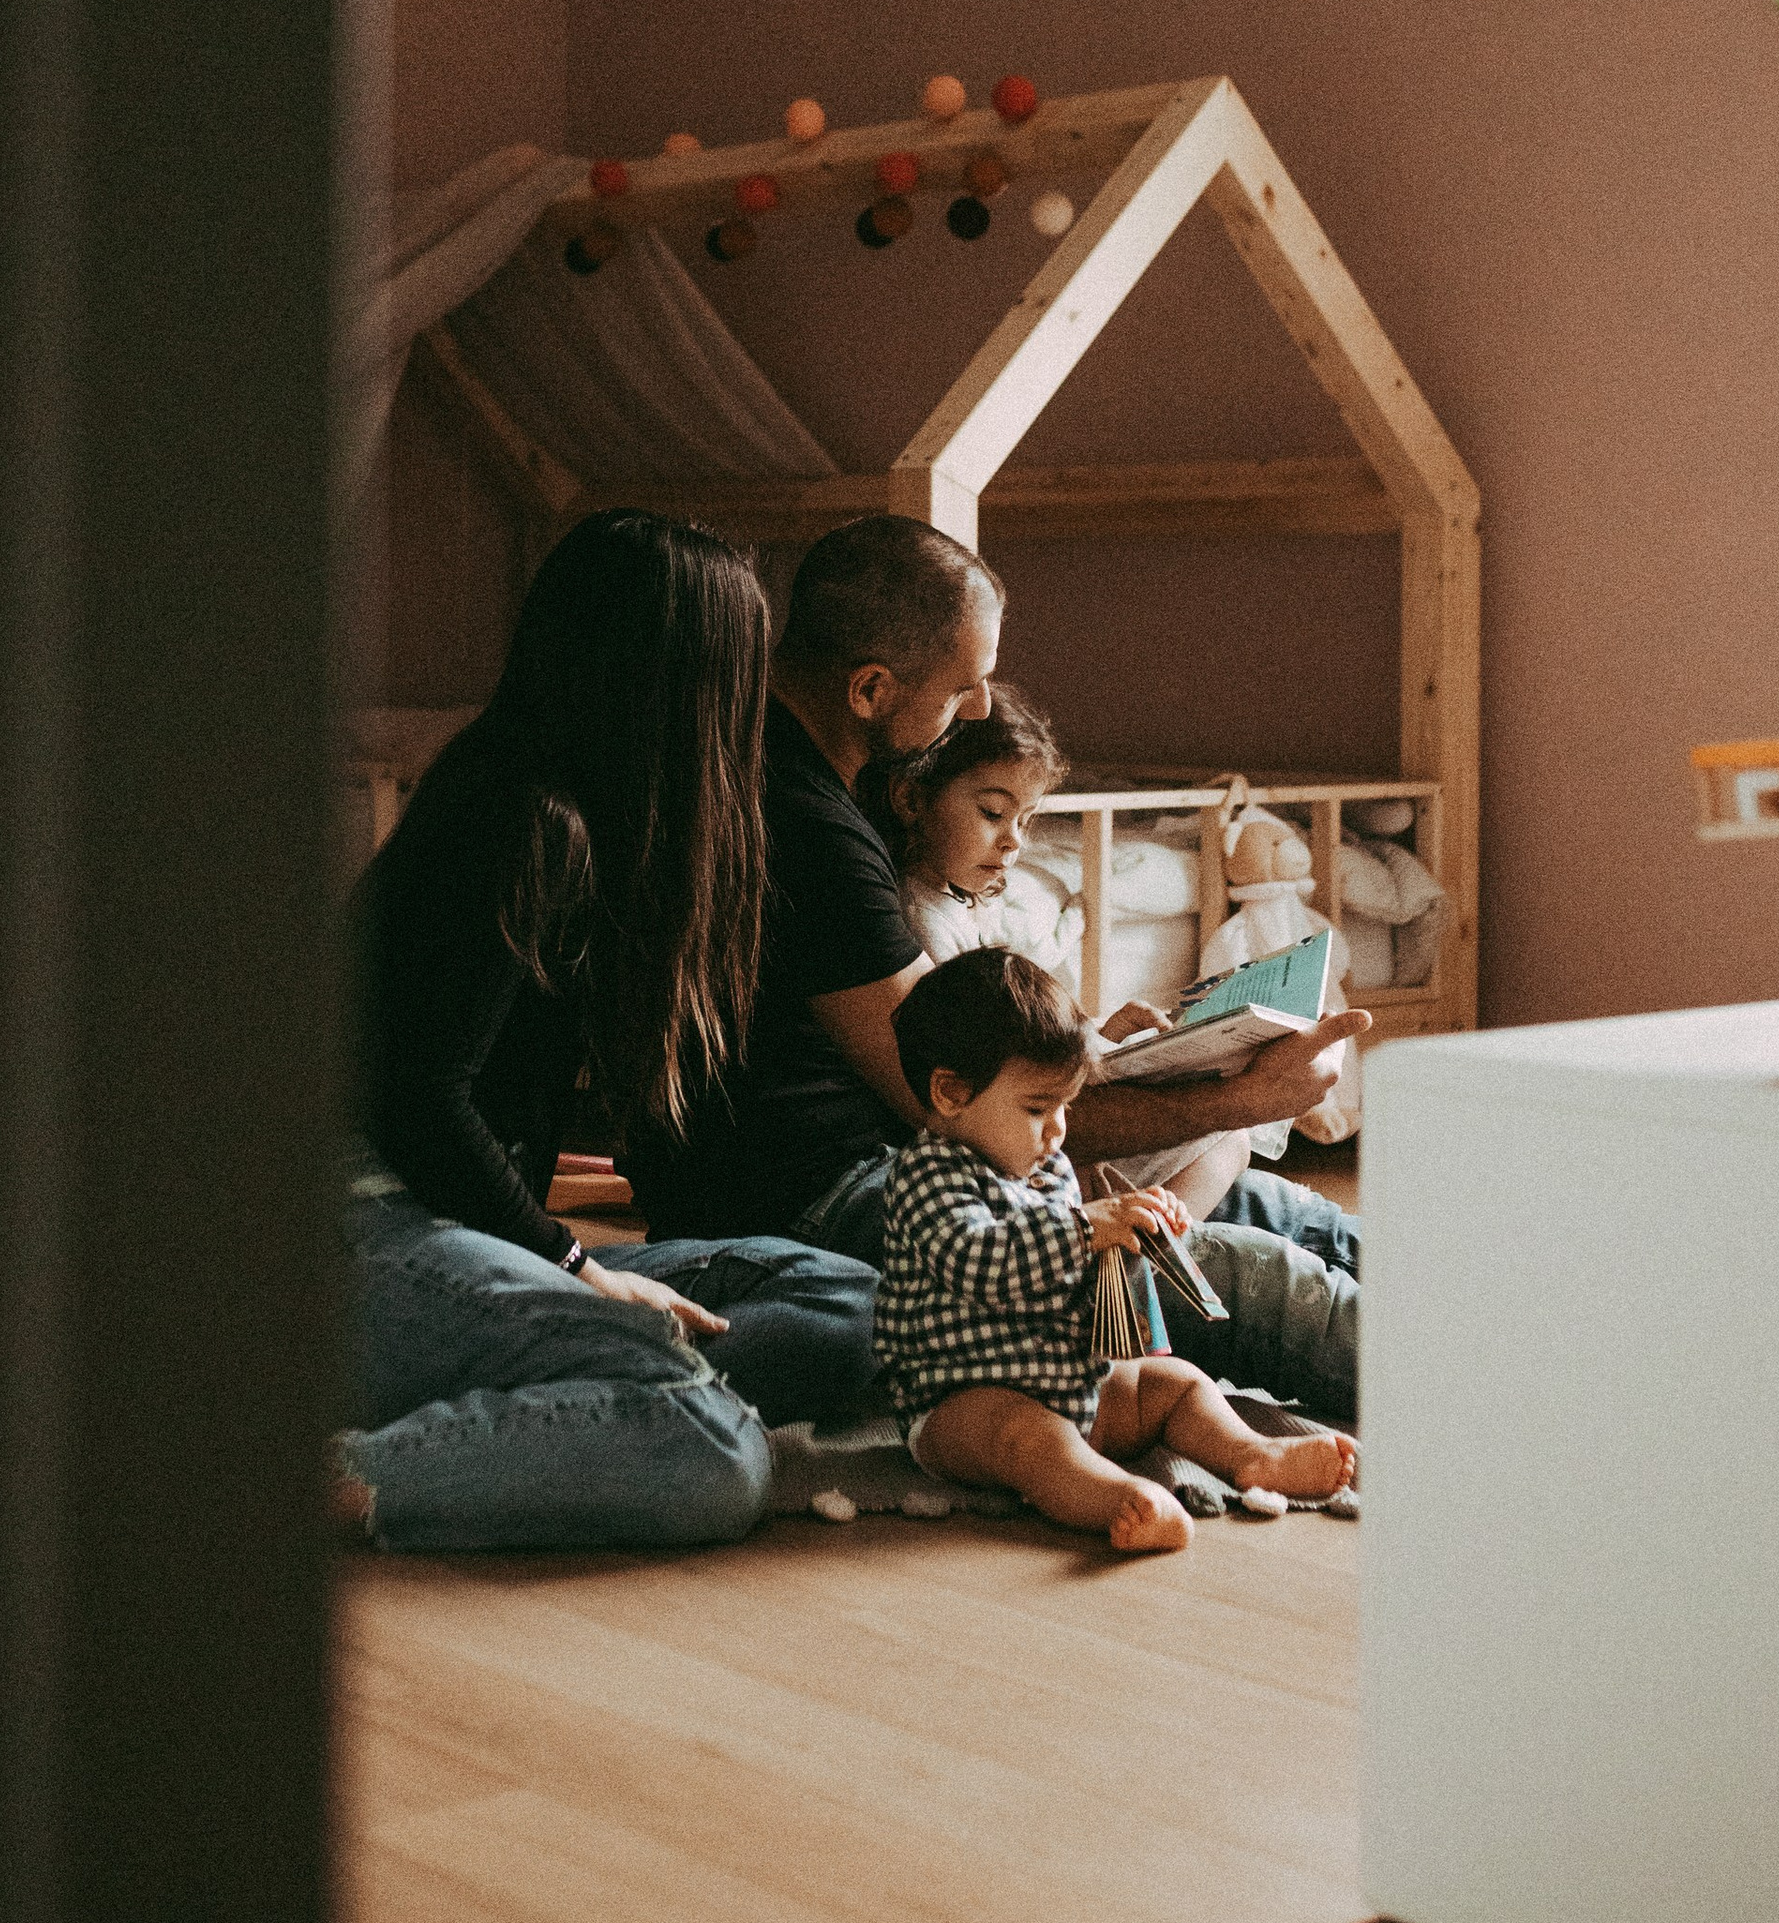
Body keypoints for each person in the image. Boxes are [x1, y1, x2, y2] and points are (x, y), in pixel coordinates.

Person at [625, 511, 1366, 1423]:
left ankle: (1515, 1316)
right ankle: (1501, 1383)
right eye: (961, 688)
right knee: (1248, 1272)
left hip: (912, 1158)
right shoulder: (804, 825)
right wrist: (1235, 1102)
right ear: (869, 689)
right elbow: (968, 1095)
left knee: (1280, 1211)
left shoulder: (821, 786)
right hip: (830, 1195)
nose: (975, 709)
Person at [338, 508, 881, 1554]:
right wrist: (578, 1268)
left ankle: (580, 1399)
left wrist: (577, 1276)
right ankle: (356, 1473)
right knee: (713, 1451)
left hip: (459, 1234)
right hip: (361, 1228)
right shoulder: (521, 818)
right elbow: (412, 1098)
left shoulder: (587, 820)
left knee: (853, 1301)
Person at [868, 685, 1362, 1280]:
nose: (1013, 841)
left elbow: (1015, 1033)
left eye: (1026, 821)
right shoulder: (922, 919)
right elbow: (990, 1060)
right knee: (1232, 1140)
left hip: (1030, 1134)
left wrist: (1097, 1032)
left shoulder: (963, 900)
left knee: (1252, 1169)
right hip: (1000, 1143)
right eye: (993, 813)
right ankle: (1136, 1268)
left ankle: (1147, 1241)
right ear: (911, 798)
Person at [876, 950, 1358, 1551]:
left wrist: (1139, 1231)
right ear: (950, 1093)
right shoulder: (927, 1176)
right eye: (1036, 1108)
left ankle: (1251, 1454)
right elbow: (979, 1260)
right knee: (1026, 1439)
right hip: (966, 1402)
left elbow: (1083, 1274)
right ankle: (1115, 1496)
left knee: (1178, 1383)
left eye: (1064, 1107)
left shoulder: (1047, 1164)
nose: (1057, 1129)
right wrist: (1087, 1228)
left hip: (1079, 1379)